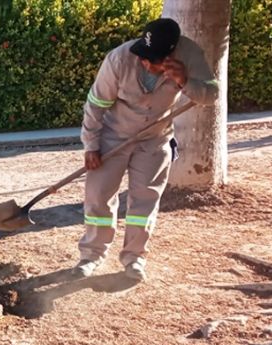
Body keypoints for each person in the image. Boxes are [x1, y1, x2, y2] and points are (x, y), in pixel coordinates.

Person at [75, 17, 218, 281]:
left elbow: (211, 95)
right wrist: (91, 146)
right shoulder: (119, 59)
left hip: (155, 139)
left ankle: (134, 259)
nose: (145, 62)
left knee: (144, 202)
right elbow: (95, 104)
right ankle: (91, 256)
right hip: (112, 137)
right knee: (98, 196)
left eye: (153, 59)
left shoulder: (190, 56)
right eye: (144, 55)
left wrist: (186, 81)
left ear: (171, 55)